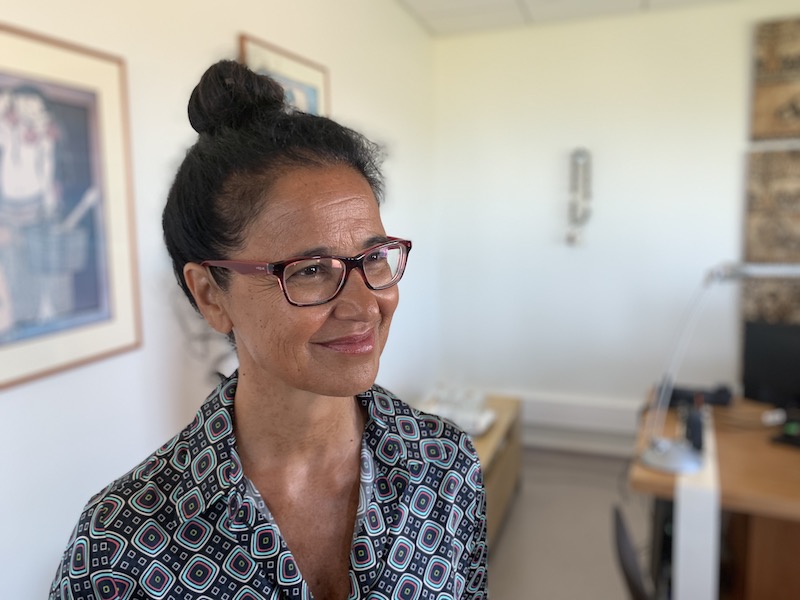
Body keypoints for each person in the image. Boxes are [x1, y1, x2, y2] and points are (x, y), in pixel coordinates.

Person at [50, 60, 487, 600]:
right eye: (310, 269)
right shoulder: (120, 549)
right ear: (211, 295)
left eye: (374, 257)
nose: (364, 306)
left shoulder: (446, 466)